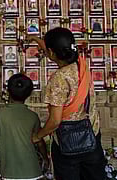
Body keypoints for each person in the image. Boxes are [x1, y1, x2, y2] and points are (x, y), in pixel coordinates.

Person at [29, 28, 105, 180]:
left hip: (67, 144)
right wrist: (37, 39)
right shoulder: (82, 66)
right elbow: (53, 50)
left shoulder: (58, 78)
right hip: (91, 137)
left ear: (51, 53)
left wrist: (38, 136)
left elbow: (55, 121)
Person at [0, 73, 49, 180]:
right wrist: (45, 158)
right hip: (32, 171)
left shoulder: (0, 114)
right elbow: (40, 142)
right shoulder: (33, 116)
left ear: (8, 92)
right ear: (28, 94)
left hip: (9, 172)